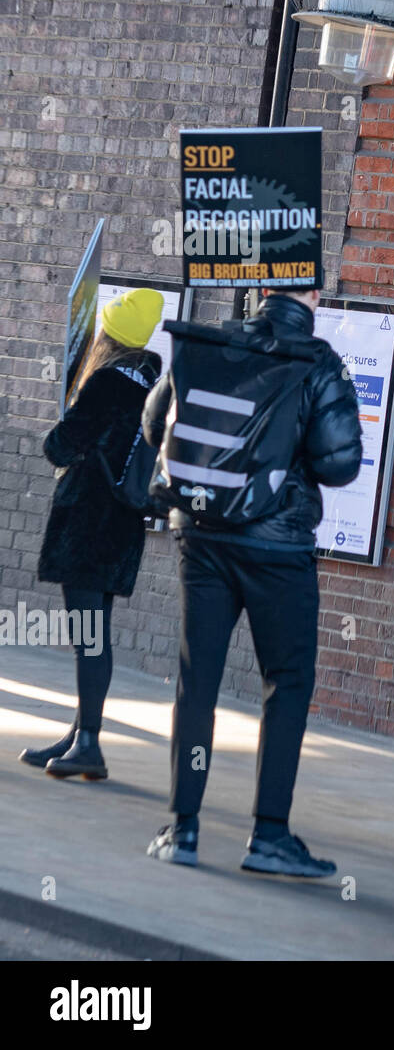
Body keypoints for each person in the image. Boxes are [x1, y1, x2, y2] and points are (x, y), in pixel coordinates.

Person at [141, 287, 362, 875]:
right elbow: (340, 462)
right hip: (277, 546)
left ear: (261, 288)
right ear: (312, 292)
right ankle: (268, 836)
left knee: (198, 681)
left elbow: (152, 426)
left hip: (202, 536)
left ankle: (182, 830)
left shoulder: (210, 341)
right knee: (285, 684)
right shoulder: (317, 361)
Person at [21, 288, 165, 780]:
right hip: (121, 529)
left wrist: (58, 424)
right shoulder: (151, 386)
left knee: (89, 637)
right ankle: (79, 734)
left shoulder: (104, 383)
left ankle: (88, 743)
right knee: (94, 633)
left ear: (111, 335)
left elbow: (61, 448)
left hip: (85, 527)